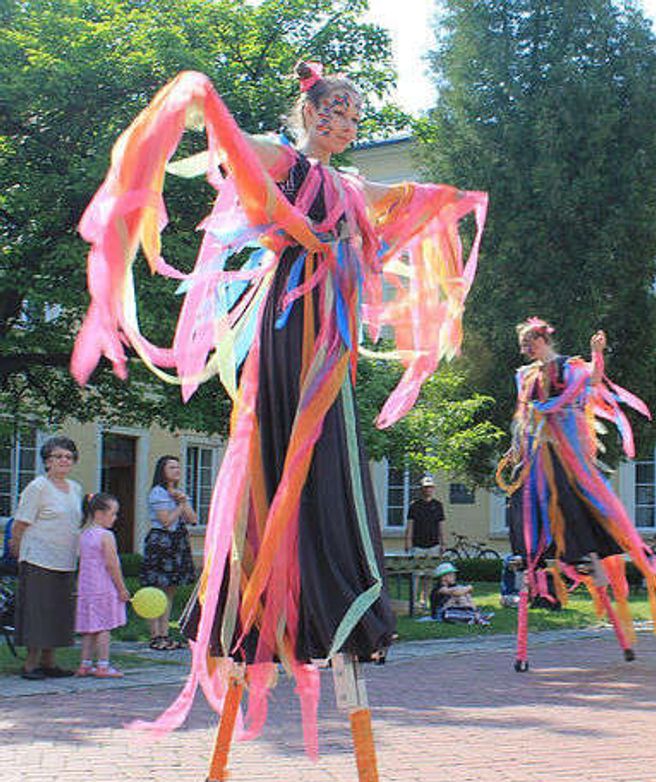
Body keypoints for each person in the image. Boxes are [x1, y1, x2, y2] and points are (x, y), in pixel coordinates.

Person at [71, 62, 486, 742]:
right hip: (291, 320)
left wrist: (447, 198)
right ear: (311, 112)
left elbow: (397, 197)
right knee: (290, 432)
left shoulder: (349, 184)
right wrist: (201, 102)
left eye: (355, 119)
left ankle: (329, 567)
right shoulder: (286, 159)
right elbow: (232, 141)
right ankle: (271, 568)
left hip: (330, 329)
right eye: (337, 114)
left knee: (328, 439)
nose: (347, 127)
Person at [497, 318, 656, 662]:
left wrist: (598, 353)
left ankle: (581, 553)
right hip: (541, 453)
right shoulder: (528, 376)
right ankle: (533, 557)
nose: (525, 350)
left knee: (570, 495)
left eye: (528, 343)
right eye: (523, 346)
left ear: (541, 339)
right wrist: (520, 442)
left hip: (569, 454)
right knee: (524, 496)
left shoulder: (571, 368)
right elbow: (524, 415)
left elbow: (592, 381)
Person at [10, 437, 83, 680]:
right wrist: (17, 551)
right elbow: (20, 523)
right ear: (47, 461)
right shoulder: (38, 486)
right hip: (38, 558)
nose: (64, 461)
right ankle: (31, 665)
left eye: (68, 457)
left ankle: (50, 661)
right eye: (58, 456)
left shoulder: (75, 488)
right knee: (37, 611)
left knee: (58, 611)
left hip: (65, 559)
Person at [139, 456, 197, 650]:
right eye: (172, 467)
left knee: (170, 590)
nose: (176, 470)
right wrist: (180, 505)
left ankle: (165, 634)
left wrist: (183, 501)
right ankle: (154, 635)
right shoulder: (157, 493)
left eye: (178, 467)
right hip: (161, 543)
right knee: (156, 589)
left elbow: (193, 519)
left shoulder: (179, 493)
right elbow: (166, 521)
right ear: (162, 470)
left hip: (177, 543)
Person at [75, 493, 131, 678]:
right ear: (99, 513)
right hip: (103, 587)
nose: (115, 518)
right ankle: (103, 665)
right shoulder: (106, 536)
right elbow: (112, 564)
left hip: (86, 587)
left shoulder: (84, 534)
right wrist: (122, 588)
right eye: (113, 513)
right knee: (104, 627)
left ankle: (85, 664)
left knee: (89, 627)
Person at [404, 475, 445, 556]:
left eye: (430, 487)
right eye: (425, 487)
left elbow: (441, 526)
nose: (428, 489)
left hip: (434, 545)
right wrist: (407, 542)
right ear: (421, 489)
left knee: (434, 567)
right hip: (418, 546)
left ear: (433, 489)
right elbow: (410, 526)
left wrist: (443, 543)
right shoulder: (414, 505)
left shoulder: (438, 505)